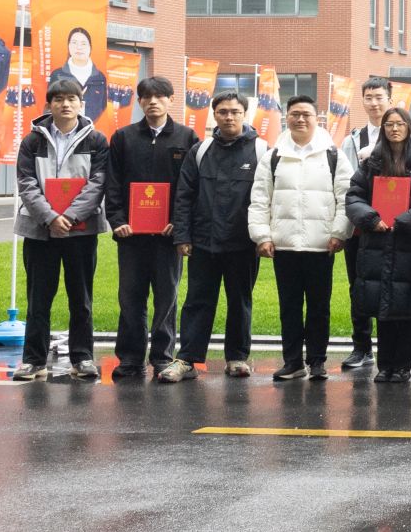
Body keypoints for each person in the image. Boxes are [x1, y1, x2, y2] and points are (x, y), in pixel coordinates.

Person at [248, 95, 353, 382]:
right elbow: (260, 199)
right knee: (289, 307)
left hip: (322, 245)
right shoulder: (273, 156)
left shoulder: (333, 155)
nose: (300, 119)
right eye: (295, 114)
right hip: (284, 245)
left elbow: (346, 197)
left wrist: (339, 232)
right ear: (287, 118)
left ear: (317, 118)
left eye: (306, 114)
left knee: (319, 307)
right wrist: (262, 236)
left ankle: (317, 361)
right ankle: (292, 362)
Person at [10, 77, 109, 381]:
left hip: (81, 230)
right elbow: (26, 183)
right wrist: (51, 217)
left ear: (81, 103)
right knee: (38, 298)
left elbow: (98, 183)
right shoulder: (33, 141)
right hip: (40, 230)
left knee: (81, 298)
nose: (65, 104)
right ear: (49, 104)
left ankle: (83, 358)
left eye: (71, 99)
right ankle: (33, 361)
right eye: (59, 99)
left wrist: (71, 215)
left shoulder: (96, 141)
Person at [166, 93, 266, 381]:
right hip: (203, 241)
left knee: (240, 301)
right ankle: (187, 360)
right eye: (222, 112)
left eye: (235, 111)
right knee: (197, 301)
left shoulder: (261, 151)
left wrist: (262, 237)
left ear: (245, 114)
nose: (229, 117)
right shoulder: (200, 151)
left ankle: (237, 358)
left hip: (242, 243)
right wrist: (182, 236)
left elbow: (267, 198)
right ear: (214, 115)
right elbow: (184, 196)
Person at [104, 76, 198, 382]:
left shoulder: (186, 138)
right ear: (140, 101)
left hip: (168, 237)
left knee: (166, 298)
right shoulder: (123, 138)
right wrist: (117, 220)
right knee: (130, 298)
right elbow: (112, 183)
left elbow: (191, 186)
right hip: (130, 235)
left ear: (171, 100)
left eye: (160, 96)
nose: (153, 101)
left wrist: (179, 223)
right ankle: (130, 358)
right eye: (146, 97)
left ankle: (162, 357)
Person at [344, 107, 411, 383]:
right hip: (377, 242)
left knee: (404, 307)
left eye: (400, 124)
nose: (394, 129)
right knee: (382, 306)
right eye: (389, 124)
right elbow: (354, 197)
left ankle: (403, 366)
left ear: (408, 127)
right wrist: (372, 219)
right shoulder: (370, 162)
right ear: (383, 129)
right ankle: (385, 366)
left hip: (409, 244)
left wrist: (405, 221)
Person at [337, 77, 394, 370]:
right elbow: (345, 184)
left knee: (390, 284)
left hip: (394, 226)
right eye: (368, 97)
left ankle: (389, 349)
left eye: (379, 97)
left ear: (390, 100)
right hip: (361, 226)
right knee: (358, 285)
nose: (374, 103)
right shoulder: (353, 140)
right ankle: (361, 346)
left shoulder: (404, 137)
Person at [48, 26, 108, 123]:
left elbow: (103, 107)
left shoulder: (100, 77)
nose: (79, 47)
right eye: (74, 43)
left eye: (83, 43)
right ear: (68, 46)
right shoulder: (57, 75)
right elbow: (49, 108)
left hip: (92, 129)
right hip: (63, 128)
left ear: (90, 47)